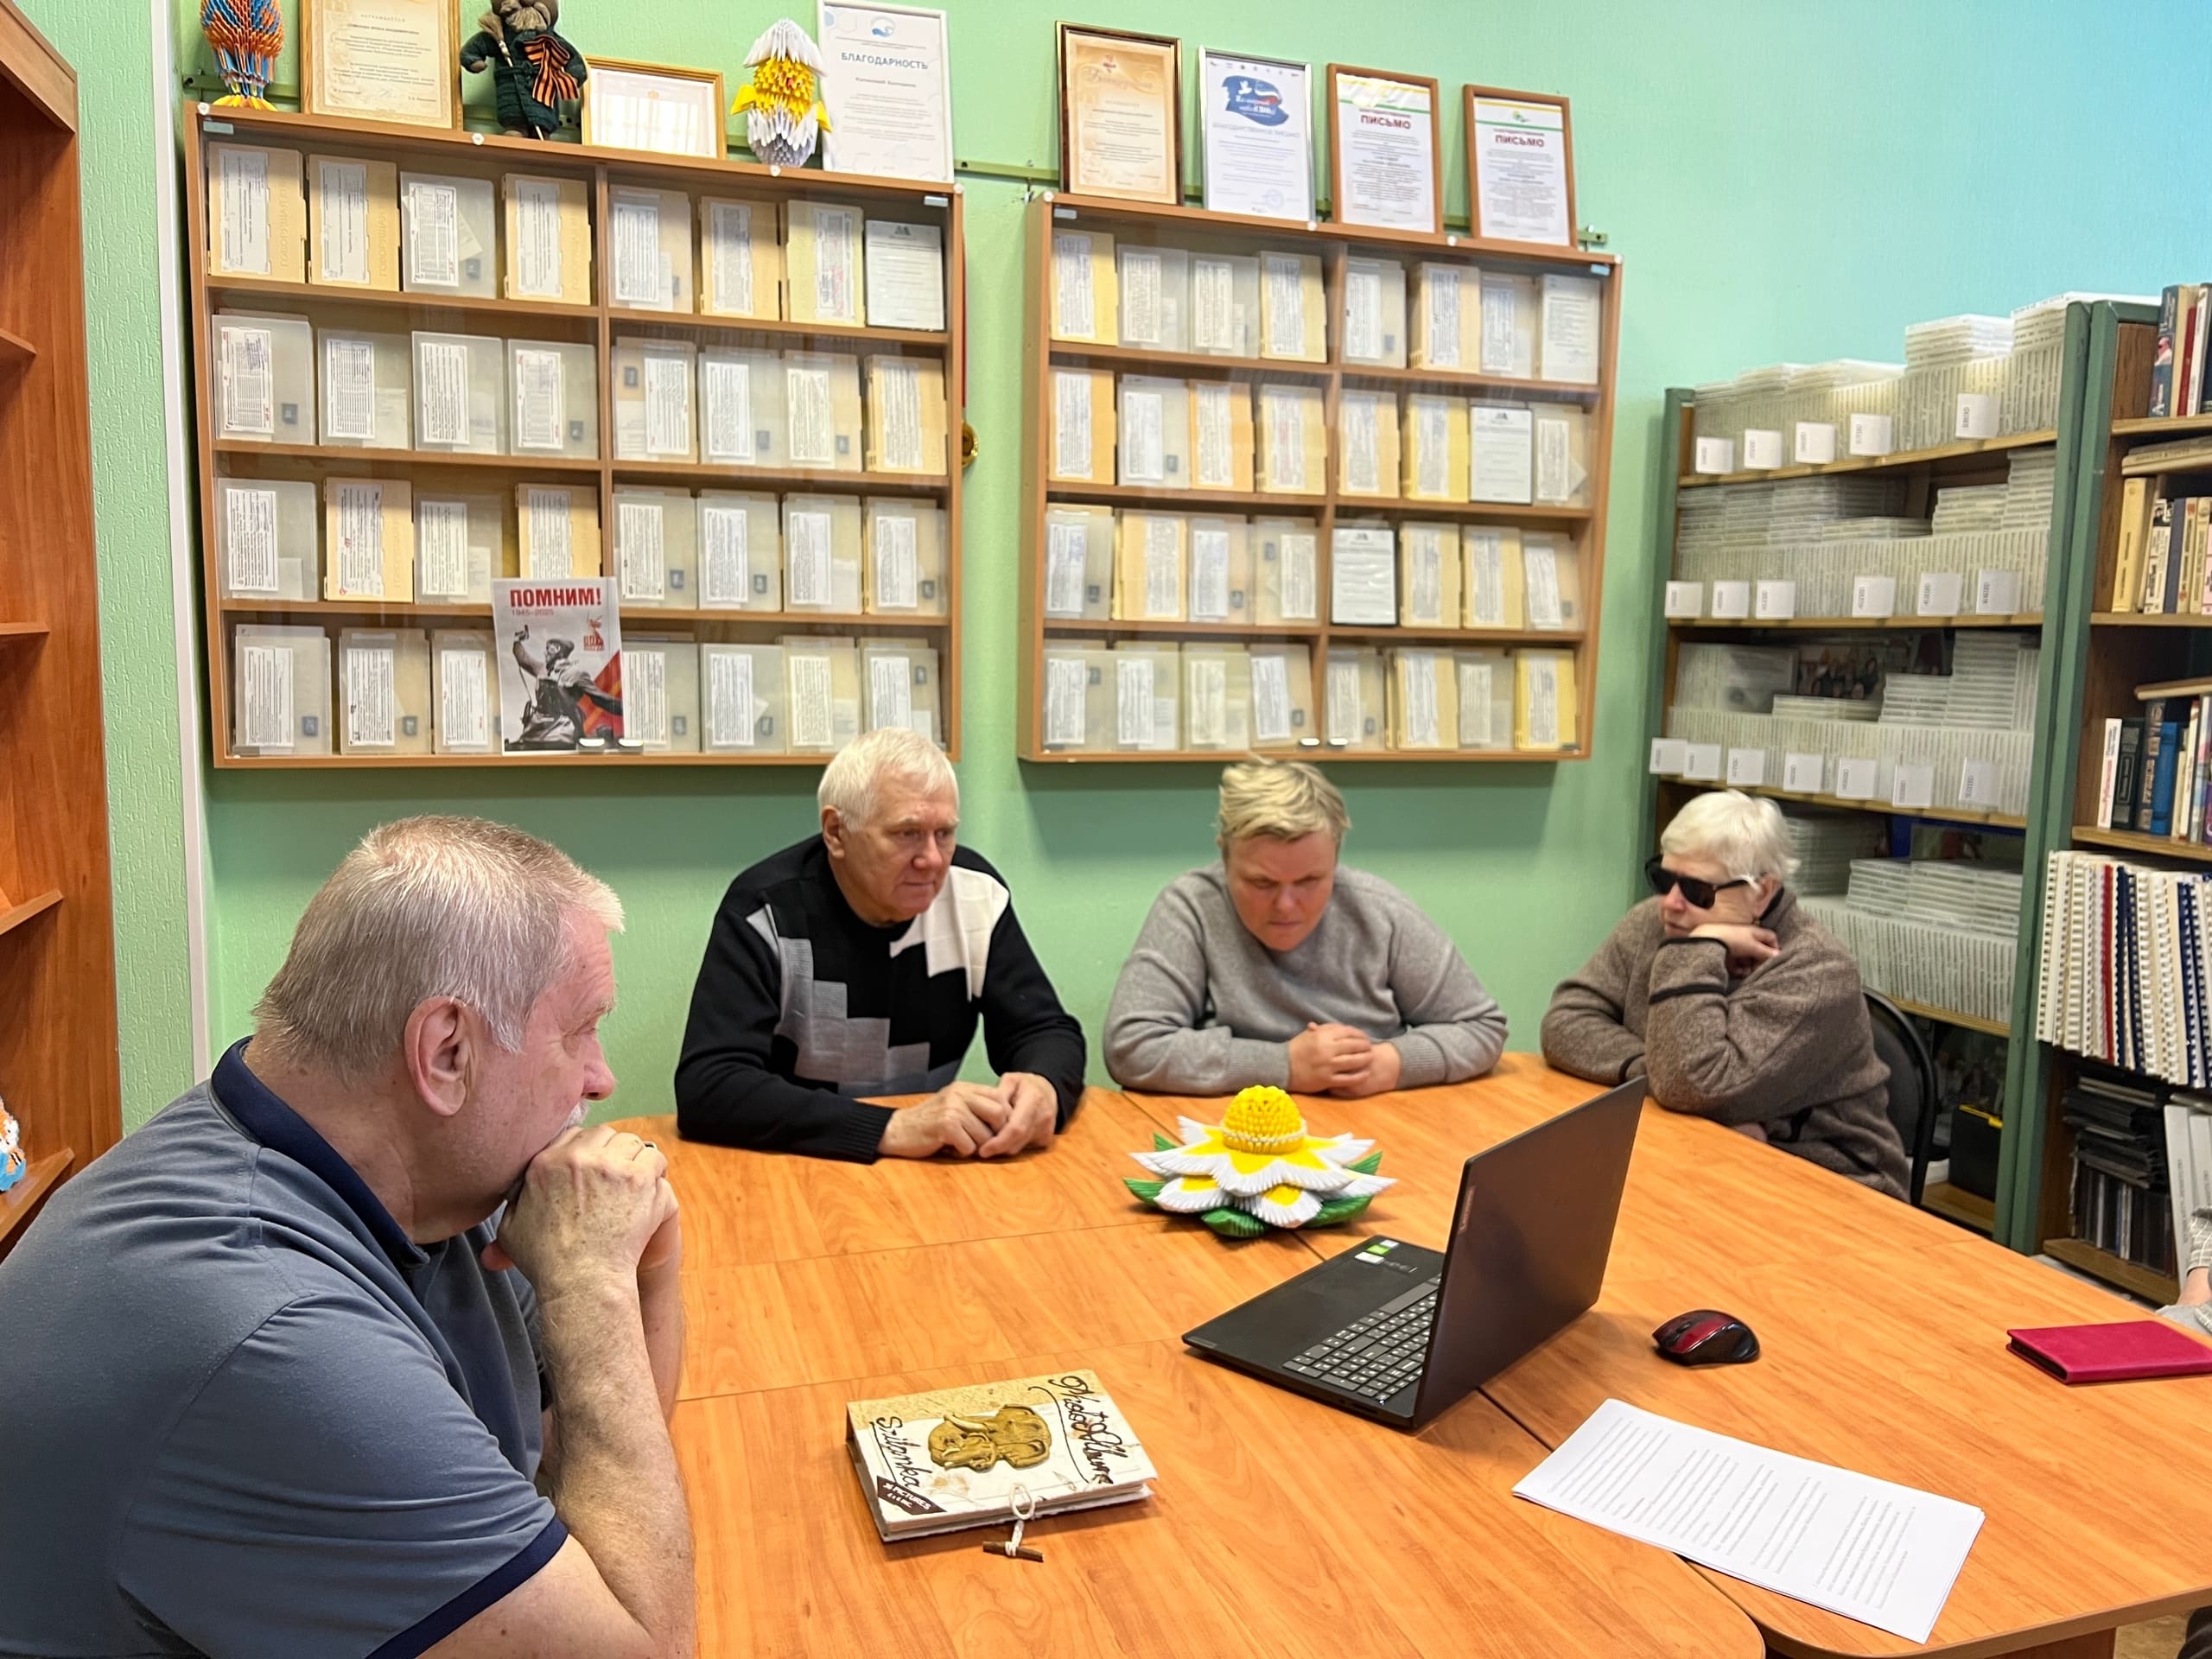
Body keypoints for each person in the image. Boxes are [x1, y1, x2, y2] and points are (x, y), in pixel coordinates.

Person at [0, 817, 693, 1657]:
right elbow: (640, 1643)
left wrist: (647, 1270)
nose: (602, 1077)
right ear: (447, 1052)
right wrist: (597, 1283)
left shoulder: (411, 1181)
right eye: (580, 1029)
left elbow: (586, 1476)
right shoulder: (272, 1331)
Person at [677, 727, 1086, 1161]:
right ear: (836, 832)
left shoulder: (975, 894)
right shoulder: (766, 910)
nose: (931, 859)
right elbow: (710, 1086)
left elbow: (1045, 1030)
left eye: (945, 833)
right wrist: (890, 1128)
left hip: (930, 1167)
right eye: (907, 833)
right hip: (800, 1164)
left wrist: (1043, 1085)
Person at [1541, 788, 1910, 1198]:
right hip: (1705, 1156)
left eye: (1697, 890)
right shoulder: (1654, 921)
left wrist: (1695, 950)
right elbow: (1565, 1024)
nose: (1671, 903)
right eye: (1663, 879)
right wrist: (1652, 1071)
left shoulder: (1817, 971)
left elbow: (1692, 1086)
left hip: (1831, 1181)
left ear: (1762, 892)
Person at [1103, 759, 1508, 1096]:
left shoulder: (1378, 911)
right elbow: (1132, 1046)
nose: (1286, 905)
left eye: (1310, 881)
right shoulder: (1191, 908)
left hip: (1372, 1125)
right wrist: (1283, 1066)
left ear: (1336, 859)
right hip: (1231, 1135)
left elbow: (1482, 1027)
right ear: (1224, 857)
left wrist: (1392, 1063)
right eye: (1262, 883)